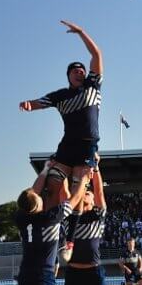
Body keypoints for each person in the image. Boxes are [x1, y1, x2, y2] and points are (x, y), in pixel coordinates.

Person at [11, 162, 90, 285]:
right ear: (37, 204)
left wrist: (46, 171)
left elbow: (32, 194)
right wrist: (83, 180)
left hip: (26, 277)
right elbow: (73, 200)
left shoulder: (21, 217)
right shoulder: (50, 218)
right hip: (41, 278)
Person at [19, 20, 103, 207]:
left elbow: (96, 54)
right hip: (68, 145)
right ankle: (50, 218)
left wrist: (81, 32)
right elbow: (38, 103)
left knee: (80, 183)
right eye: (75, 71)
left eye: (82, 70)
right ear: (69, 76)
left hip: (87, 143)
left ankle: (68, 221)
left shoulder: (93, 86)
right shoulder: (60, 95)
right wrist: (28, 104)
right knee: (53, 183)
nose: (80, 73)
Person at [62, 159, 119, 285]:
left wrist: (96, 169)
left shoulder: (98, 215)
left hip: (94, 273)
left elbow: (99, 191)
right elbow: (65, 194)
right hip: (74, 274)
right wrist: (70, 175)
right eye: (84, 193)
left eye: (89, 193)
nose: (87, 193)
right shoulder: (69, 218)